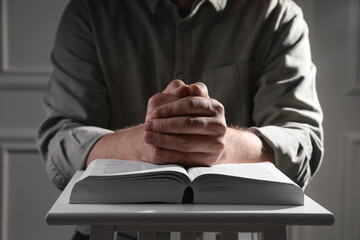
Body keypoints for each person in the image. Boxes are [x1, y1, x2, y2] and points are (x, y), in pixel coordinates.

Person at [37, 0, 324, 239]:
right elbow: (62, 137)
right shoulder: (90, 11)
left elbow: (302, 138)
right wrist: (147, 143)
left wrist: (223, 144)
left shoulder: (275, 14)